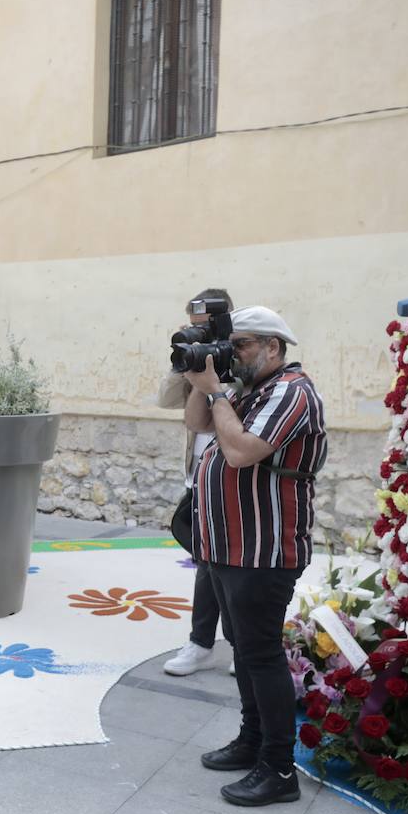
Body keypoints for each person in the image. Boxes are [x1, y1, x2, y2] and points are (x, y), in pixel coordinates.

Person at [182, 306, 326, 806]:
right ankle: (252, 740)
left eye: (241, 344)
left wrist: (219, 390)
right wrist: (205, 382)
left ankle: (279, 767)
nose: (233, 352)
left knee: (260, 652)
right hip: (228, 543)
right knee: (242, 647)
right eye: (232, 343)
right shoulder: (250, 389)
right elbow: (196, 423)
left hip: (264, 545)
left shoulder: (291, 391)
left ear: (273, 347)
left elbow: (242, 451)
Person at [158, 290, 234, 677]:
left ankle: (237, 643)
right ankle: (202, 643)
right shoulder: (197, 360)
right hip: (200, 477)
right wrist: (182, 359)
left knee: (233, 568)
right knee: (206, 563)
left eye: (202, 327)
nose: (196, 333)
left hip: (235, 477)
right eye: (191, 325)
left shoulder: (239, 355)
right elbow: (166, 400)